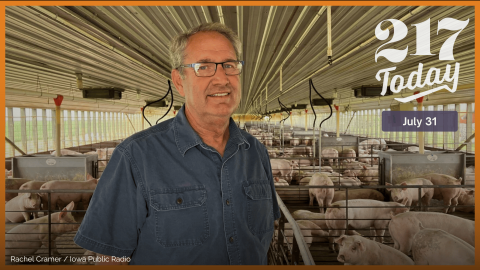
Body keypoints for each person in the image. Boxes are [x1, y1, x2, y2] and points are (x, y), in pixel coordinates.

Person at [73, 22, 281, 265]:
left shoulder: (256, 152)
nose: (222, 78)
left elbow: (264, 237)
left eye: (229, 65)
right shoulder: (135, 157)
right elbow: (110, 260)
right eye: (203, 67)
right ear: (179, 81)